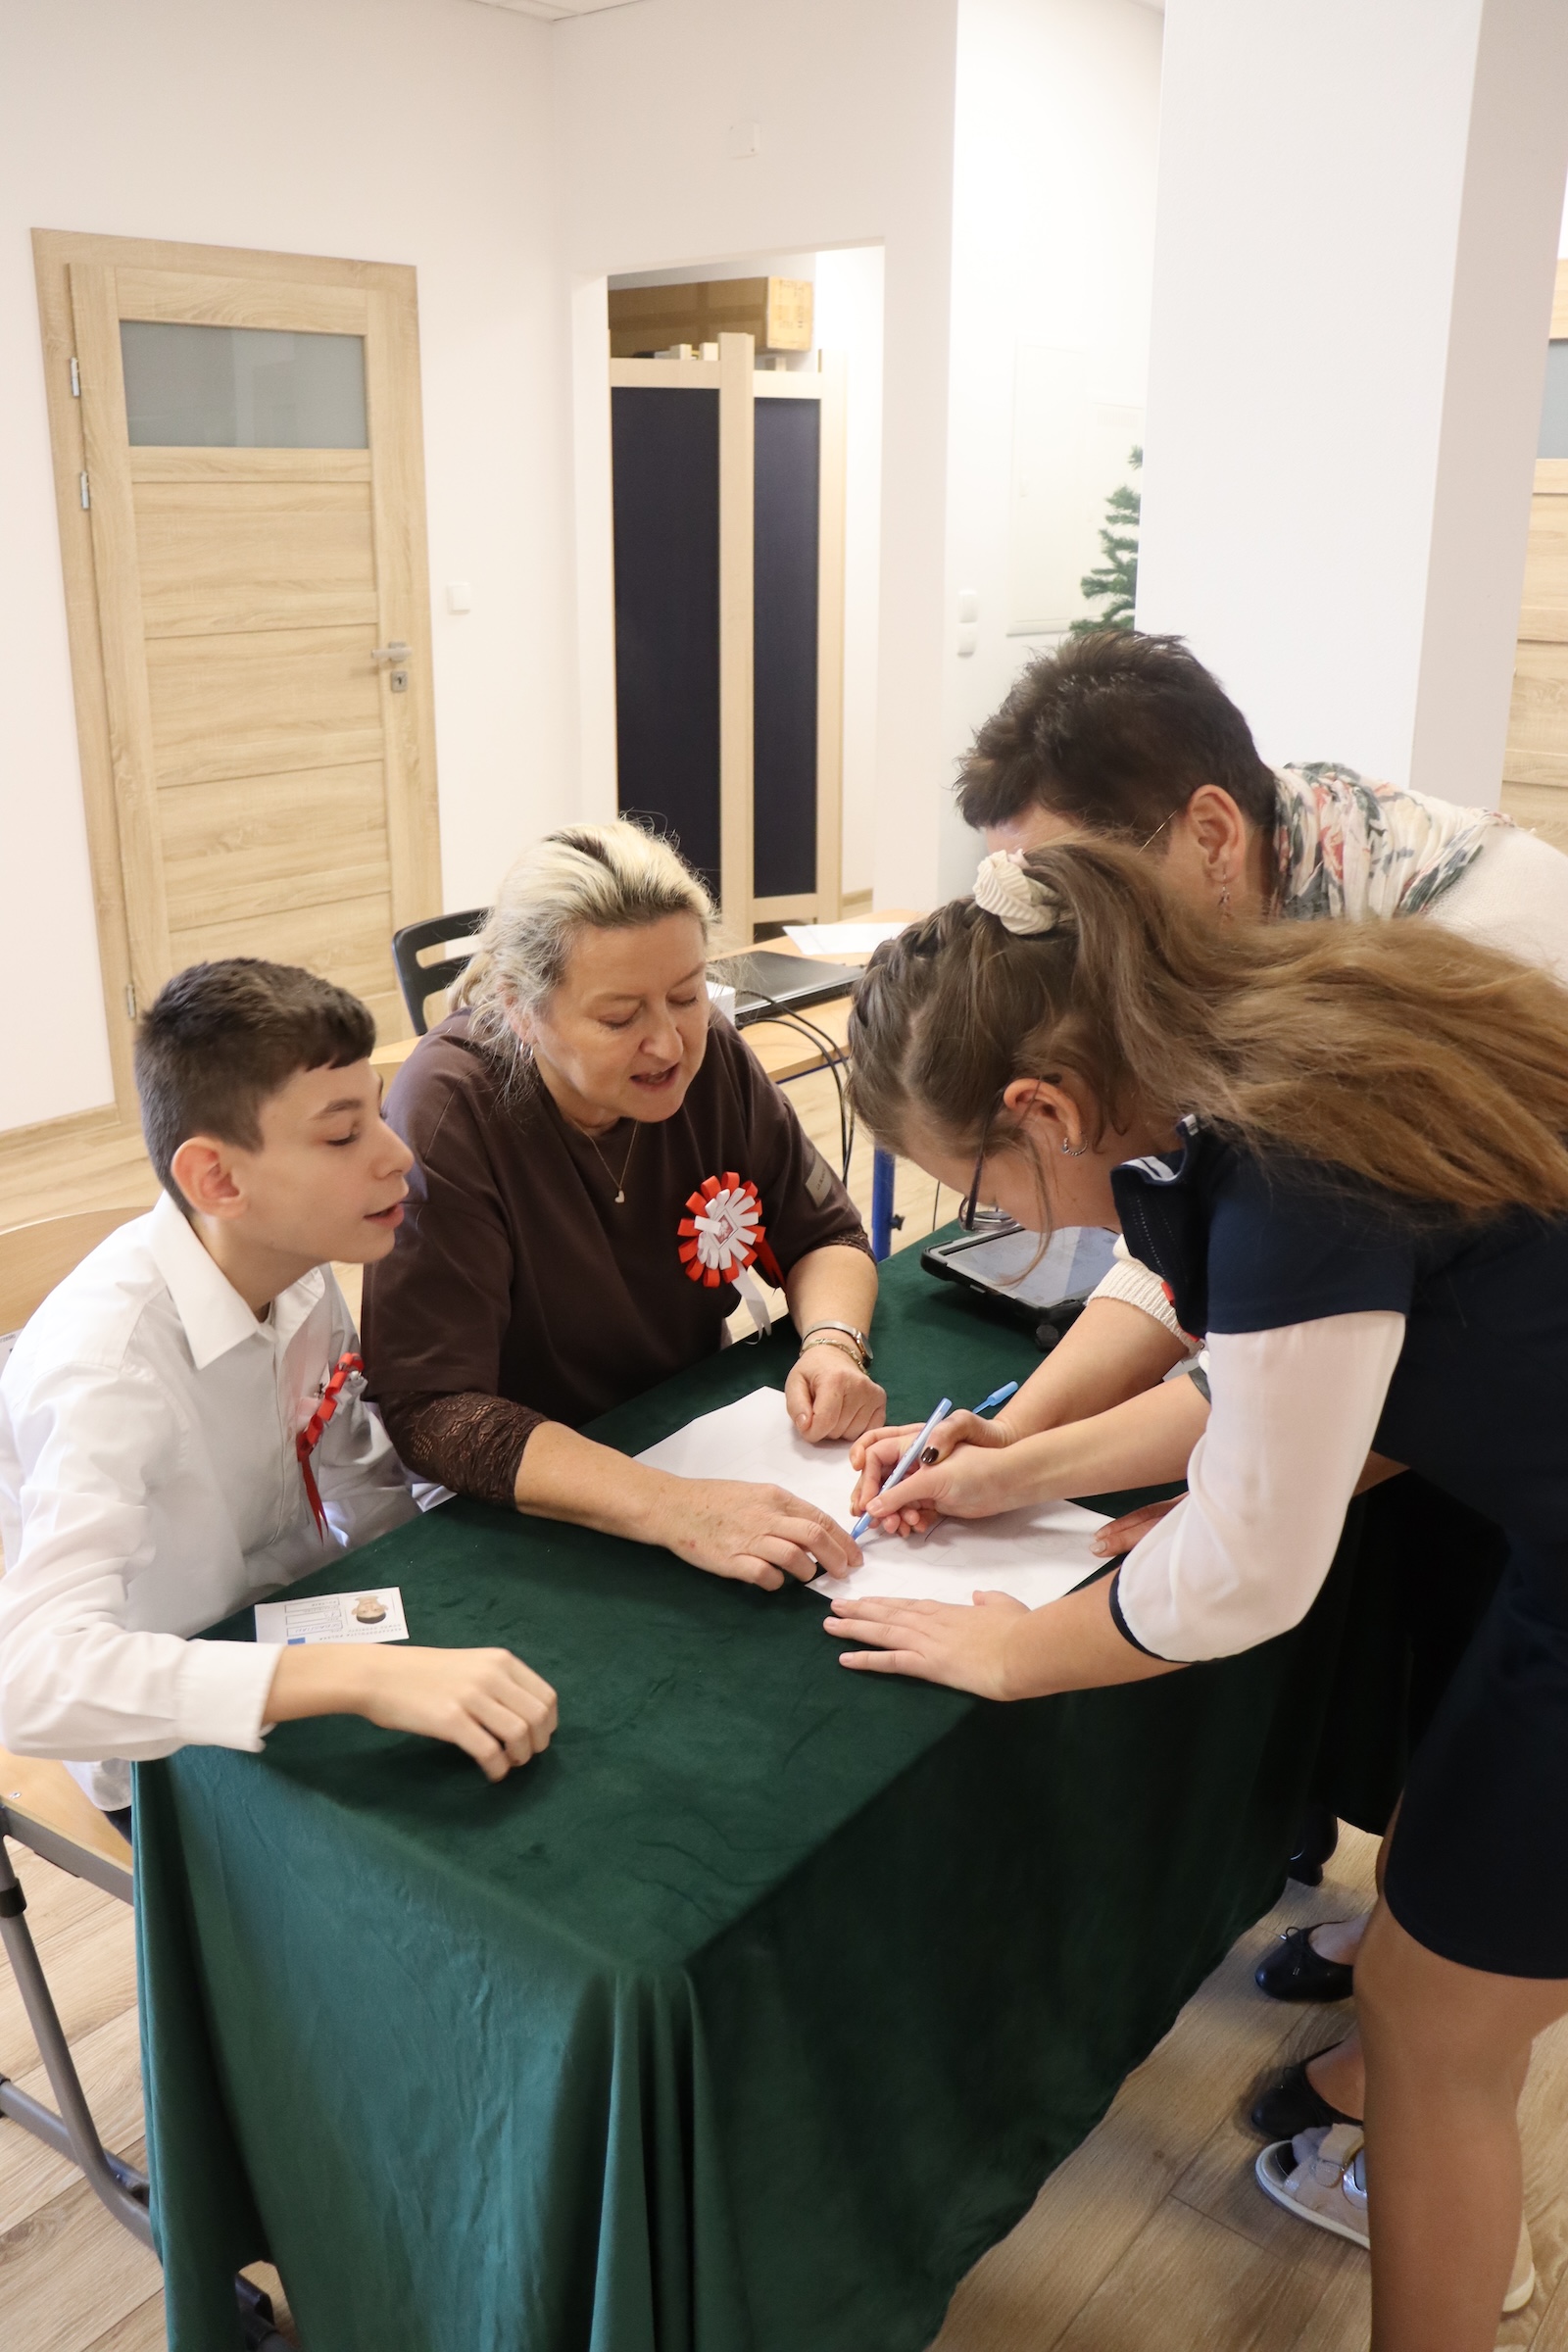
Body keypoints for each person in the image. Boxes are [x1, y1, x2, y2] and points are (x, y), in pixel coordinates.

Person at [826, 842, 1568, 2347]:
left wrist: (1018, 1652)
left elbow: (1245, 1569)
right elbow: (1288, 1382)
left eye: (980, 1185)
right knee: (1431, 1973)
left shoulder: (1288, 1164)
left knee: (1434, 2024)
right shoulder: (1284, 1031)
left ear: (1043, 1110)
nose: (1000, 1212)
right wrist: (1015, 1468)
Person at [0, 959, 559, 1824]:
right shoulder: (106, 1370)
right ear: (218, 1181)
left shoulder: (293, 1267)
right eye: (342, 1137)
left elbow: (354, 1473)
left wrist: (442, 1620)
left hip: (302, 1641)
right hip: (168, 1739)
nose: (398, 1155)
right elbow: (34, 1683)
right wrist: (362, 1675)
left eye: (378, 1114)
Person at [361, 821, 882, 1592]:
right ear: (521, 1010)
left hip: (687, 1431)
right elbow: (435, 1413)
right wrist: (673, 1507)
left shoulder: (711, 1059)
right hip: (531, 1505)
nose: (668, 1045)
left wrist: (833, 1345)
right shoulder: (450, 1109)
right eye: (619, 1018)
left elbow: (827, 1235)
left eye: (687, 995)